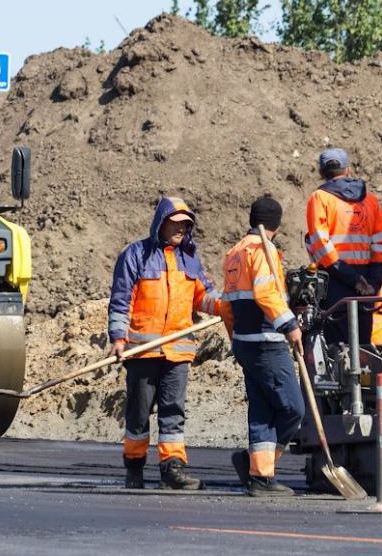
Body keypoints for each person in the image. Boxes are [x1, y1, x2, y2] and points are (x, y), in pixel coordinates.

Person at [108, 196, 223, 490]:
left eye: (186, 224)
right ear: (161, 222)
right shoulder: (136, 255)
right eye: (176, 223)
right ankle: (134, 467)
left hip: (178, 350)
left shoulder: (189, 259)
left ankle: (173, 468)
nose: (181, 229)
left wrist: (228, 307)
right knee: (138, 413)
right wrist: (119, 338)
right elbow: (121, 301)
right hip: (143, 350)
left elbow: (203, 297)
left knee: (174, 412)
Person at [221, 195, 305, 497]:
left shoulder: (233, 253)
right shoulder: (263, 250)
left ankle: (258, 474)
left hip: (245, 343)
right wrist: (290, 325)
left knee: (261, 410)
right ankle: (260, 469)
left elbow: (226, 306)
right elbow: (267, 294)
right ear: (277, 226)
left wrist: (235, 340)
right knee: (293, 408)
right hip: (267, 343)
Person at [305, 148, 382, 345]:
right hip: (367, 285)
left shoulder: (319, 198)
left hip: (336, 281)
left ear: (321, 172)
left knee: (338, 351)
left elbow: (321, 245)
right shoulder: (370, 200)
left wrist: (353, 279)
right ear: (348, 170)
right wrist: (373, 283)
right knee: (363, 350)